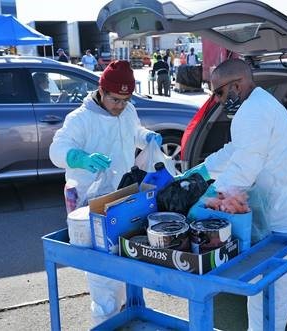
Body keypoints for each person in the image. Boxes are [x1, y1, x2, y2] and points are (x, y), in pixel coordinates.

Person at [183, 59, 287, 331]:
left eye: (219, 93)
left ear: (236, 85)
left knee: (267, 299)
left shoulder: (252, 113)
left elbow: (244, 168)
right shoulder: (262, 103)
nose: (216, 100)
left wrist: (206, 199)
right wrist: (203, 170)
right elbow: (237, 150)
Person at [49, 60, 162, 326]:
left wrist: (147, 138)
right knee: (103, 280)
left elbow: (134, 132)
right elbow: (56, 151)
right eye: (115, 99)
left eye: (125, 99)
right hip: (91, 204)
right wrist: (79, 158)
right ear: (101, 90)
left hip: (124, 199)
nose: (120, 105)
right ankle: (104, 320)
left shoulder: (128, 110)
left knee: (126, 265)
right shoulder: (80, 119)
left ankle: (123, 315)